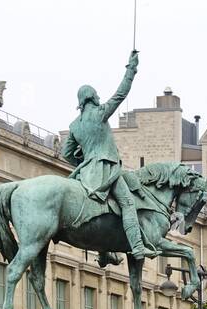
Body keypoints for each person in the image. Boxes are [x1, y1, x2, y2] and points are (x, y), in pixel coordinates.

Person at [61, 50, 156, 261]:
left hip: (86, 174)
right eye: (97, 95)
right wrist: (131, 69)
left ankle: (104, 253)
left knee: (100, 209)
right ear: (92, 98)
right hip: (107, 169)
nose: (99, 97)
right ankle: (138, 247)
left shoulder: (75, 126)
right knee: (127, 204)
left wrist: (83, 163)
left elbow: (66, 153)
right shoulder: (100, 113)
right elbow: (121, 93)